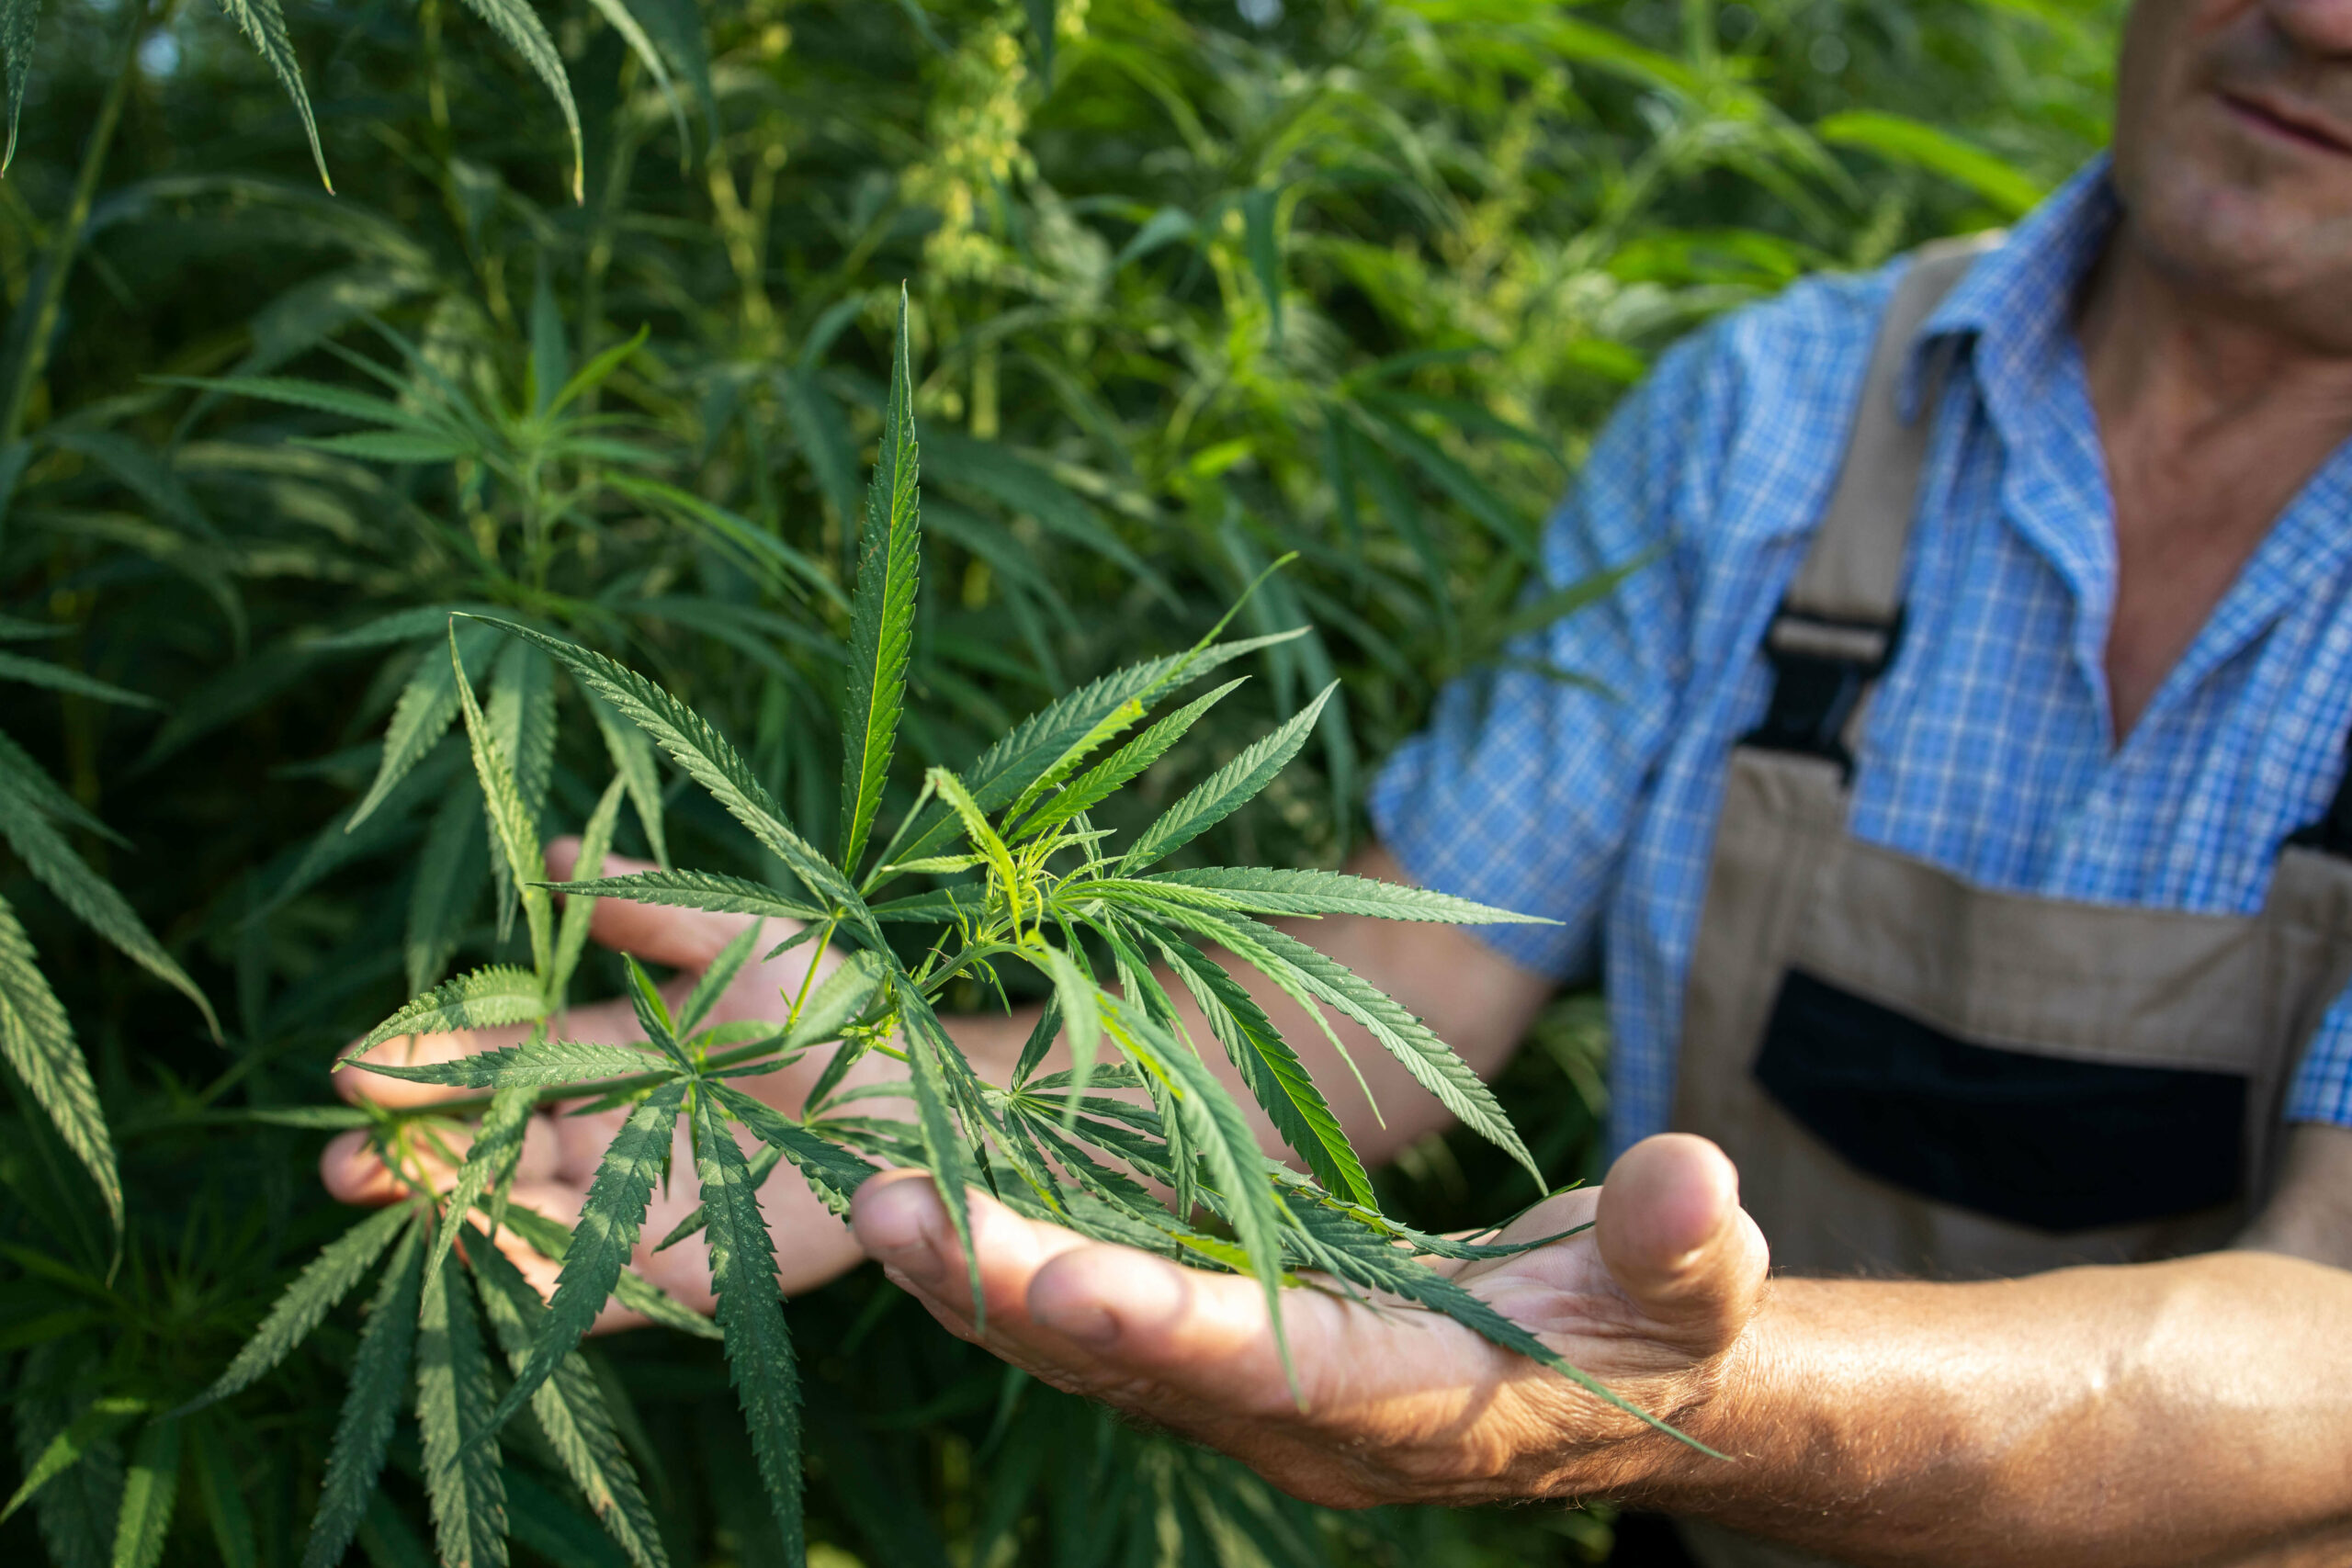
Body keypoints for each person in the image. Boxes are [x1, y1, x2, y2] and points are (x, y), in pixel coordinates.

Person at [327, 0, 2352, 1562]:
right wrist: (918, 1086)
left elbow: (2324, 1348)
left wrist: (1675, 1397)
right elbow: (1377, 1015)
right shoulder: (1770, 411)